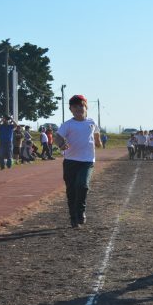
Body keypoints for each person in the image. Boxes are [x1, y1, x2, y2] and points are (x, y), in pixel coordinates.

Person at [55, 94, 102, 228]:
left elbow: (97, 134)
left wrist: (98, 141)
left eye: (81, 105)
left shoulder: (92, 122)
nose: (78, 109)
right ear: (71, 109)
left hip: (87, 161)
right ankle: (73, 217)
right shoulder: (68, 124)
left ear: (86, 107)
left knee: (82, 185)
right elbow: (58, 137)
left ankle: (80, 212)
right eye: (75, 106)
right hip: (70, 161)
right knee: (71, 190)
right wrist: (61, 145)